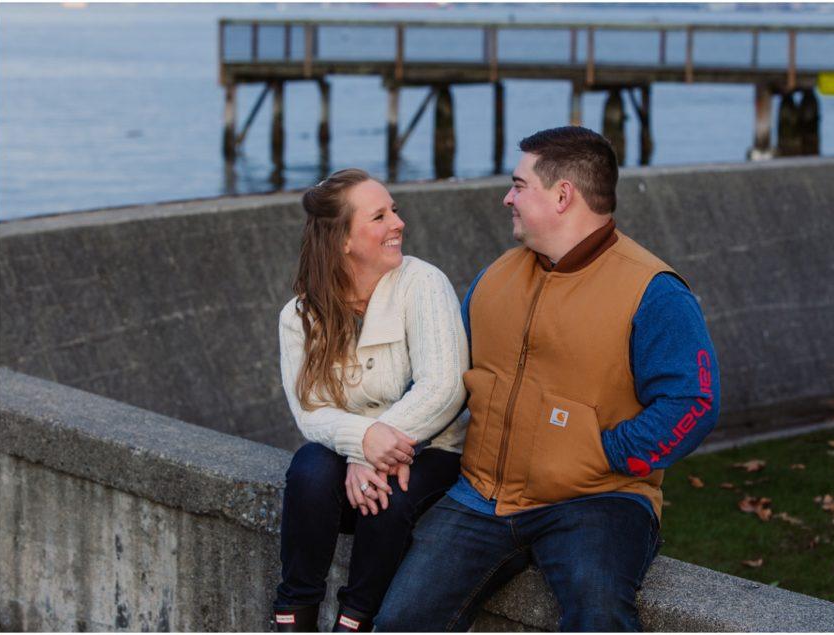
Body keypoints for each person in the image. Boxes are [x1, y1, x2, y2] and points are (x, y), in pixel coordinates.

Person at [375, 126, 720, 632]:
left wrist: (604, 455)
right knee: (401, 622)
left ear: (562, 195)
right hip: (481, 495)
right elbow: (442, 379)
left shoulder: (654, 291)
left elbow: (693, 402)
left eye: (518, 184)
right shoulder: (497, 277)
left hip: (599, 499)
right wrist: (376, 442)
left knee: (599, 617)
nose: (506, 197)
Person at [273, 169, 469, 632]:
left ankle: (355, 619)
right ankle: (292, 615)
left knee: (392, 495)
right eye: (379, 216)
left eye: (394, 210)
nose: (398, 223)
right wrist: (364, 443)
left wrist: (371, 452)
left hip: (430, 453)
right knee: (308, 468)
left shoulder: (423, 283)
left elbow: (444, 389)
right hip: (350, 461)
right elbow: (310, 411)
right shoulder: (299, 316)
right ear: (342, 240)